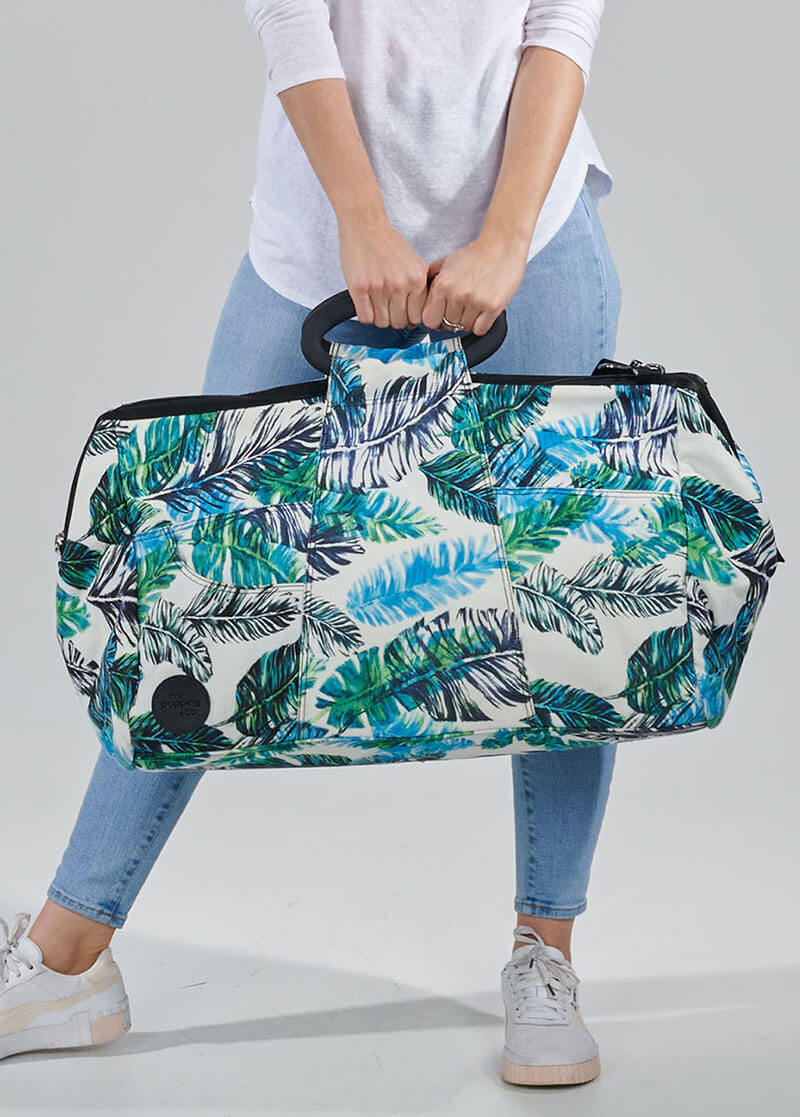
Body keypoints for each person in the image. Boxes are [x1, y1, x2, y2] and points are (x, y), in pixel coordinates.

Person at [1, 0, 620, 1086]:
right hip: (318, 248)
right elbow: (291, 17)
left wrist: (507, 237)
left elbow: (558, 22)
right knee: (197, 601)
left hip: (532, 243)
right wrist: (361, 221)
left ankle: (546, 955)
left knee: (555, 607)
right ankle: (67, 958)